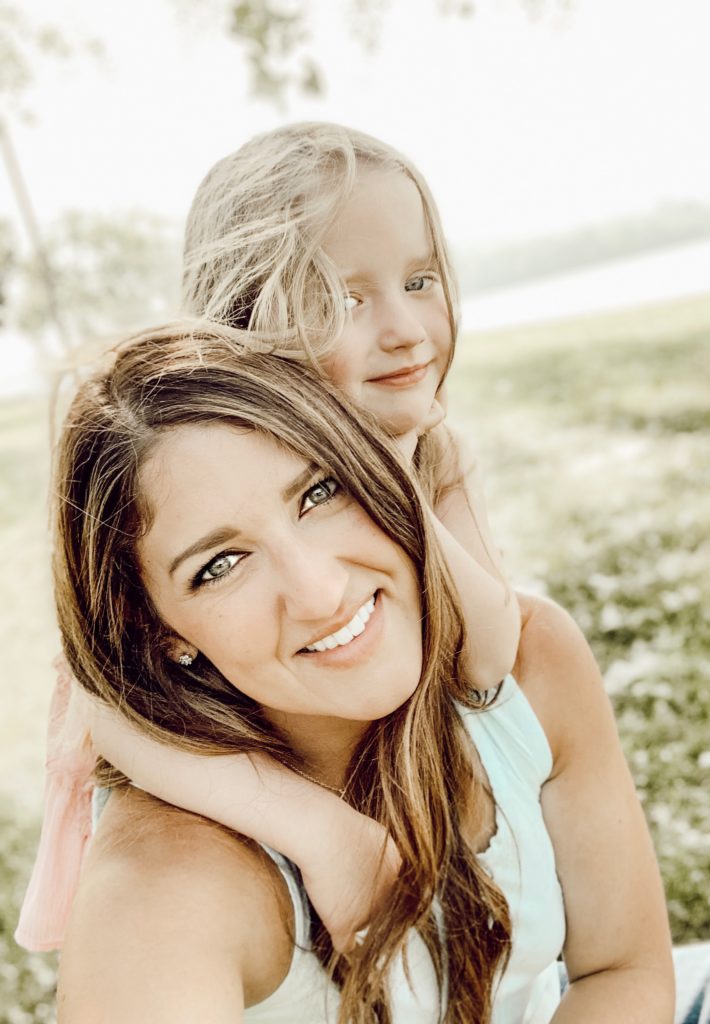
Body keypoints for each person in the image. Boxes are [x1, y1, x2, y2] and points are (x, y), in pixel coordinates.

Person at [52, 323, 675, 1023]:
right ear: (162, 634)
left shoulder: (528, 665)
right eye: (220, 565)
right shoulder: (164, 887)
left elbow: (622, 970)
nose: (319, 592)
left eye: (319, 493)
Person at [17, 122, 522, 954]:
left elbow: (488, 649)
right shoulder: (216, 469)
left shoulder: (434, 447)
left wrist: (392, 466)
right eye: (348, 300)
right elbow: (109, 713)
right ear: (252, 325)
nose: (405, 328)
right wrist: (317, 833)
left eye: (420, 278)